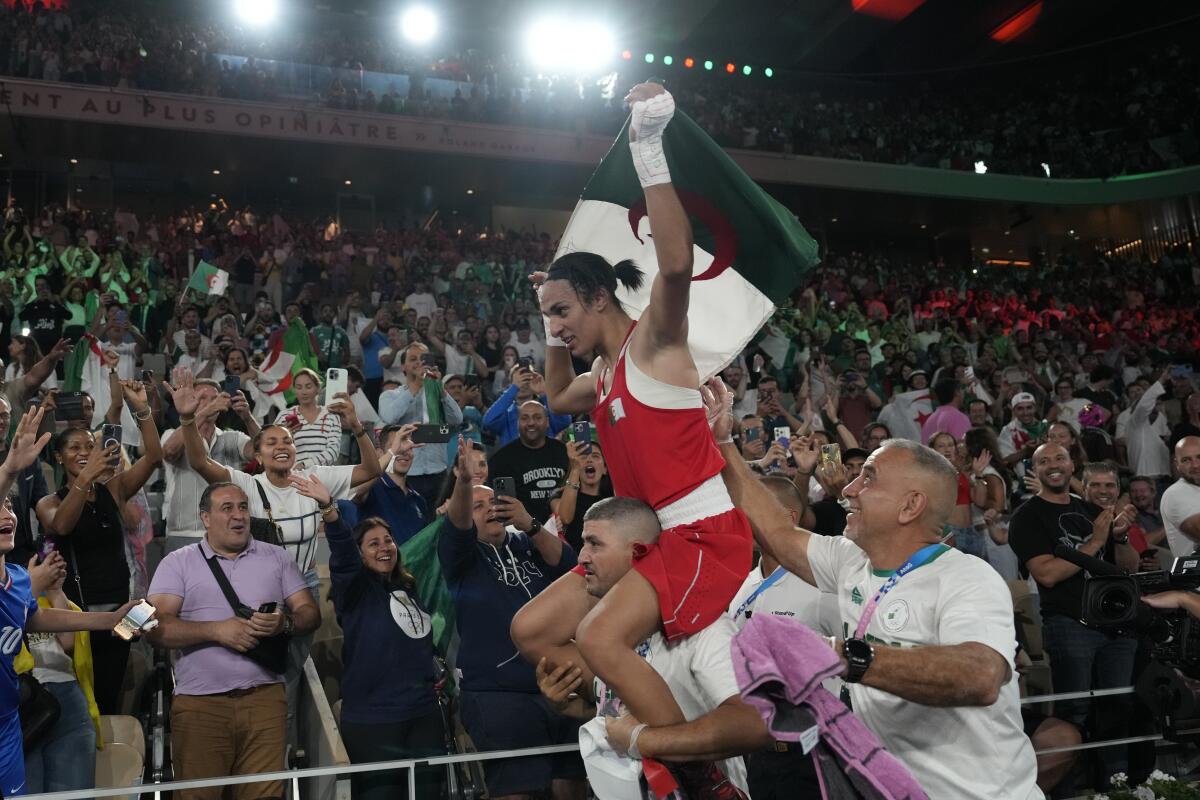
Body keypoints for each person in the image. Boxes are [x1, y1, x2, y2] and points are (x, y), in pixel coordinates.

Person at [516, 83, 754, 797]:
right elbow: (556, 396)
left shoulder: (653, 344)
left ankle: (698, 771)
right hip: (649, 536)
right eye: (548, 320)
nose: (556, 329)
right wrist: (543, 312)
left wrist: (649, 145)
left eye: (564, 313)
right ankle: (626, 702)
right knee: (533, 630)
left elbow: (676, 266)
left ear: (598, 298)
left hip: (701, 533)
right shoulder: (606, 375)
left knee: (593, 637)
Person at [705, 377, 1041, 799]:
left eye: (867, 478)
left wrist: (841, 657)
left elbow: (981, 675)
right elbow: (774, 528)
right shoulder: (851, 561)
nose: (847, 489)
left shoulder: (965, 577)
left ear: (910, 505)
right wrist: (724, 444)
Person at [538, 498, 762, 796]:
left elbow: (754, 724)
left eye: (595, 544)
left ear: (638, 552)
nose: (581, 557)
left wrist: (645, 740)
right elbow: (625, 719)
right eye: (583, 543)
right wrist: (575, 707)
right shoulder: (611, 633)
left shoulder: (704, 628)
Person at [146, 482, 321, 800]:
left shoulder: (277, 558)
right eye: (227, 508)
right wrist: (215, 631)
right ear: (206, 518)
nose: (239, 516)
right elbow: (155, 629)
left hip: (265, 700)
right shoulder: (178, 562)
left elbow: (310, 613)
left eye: (243, 507)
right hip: (201, 706)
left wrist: (285, 622)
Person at [440, 440, 582, 799]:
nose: (489, 509)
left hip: (560, 684)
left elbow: (568, 567)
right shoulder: (462, 557)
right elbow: (457, 525)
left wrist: (529, 524)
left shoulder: (526, 545)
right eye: (478, 506)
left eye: (494, 502)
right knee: (519, 789)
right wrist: (463, 483)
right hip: (498, 694)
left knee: (572, 782)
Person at [291, 472, 444, 800]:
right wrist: (330, 510)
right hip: (375, 721)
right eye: (373, 544)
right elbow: (343, 555)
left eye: (388, 540)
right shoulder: (355, 591)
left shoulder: (409, 587)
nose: (385, 547)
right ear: (360, 555)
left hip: (423, 715)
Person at [1007, 442, 1139, 784]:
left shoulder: (1091, 509)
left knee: (1118, 709)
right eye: (1044, 460)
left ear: (1071, 465)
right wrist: (1094, 543)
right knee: (1075, 712)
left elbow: (1126, 569)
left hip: (1115, 625)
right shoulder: (1027, 517)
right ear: (1034, 470)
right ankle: (1072, 787)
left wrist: (1120, 540)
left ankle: (1117, 785)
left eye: (1060, 458)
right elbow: (1047, 573)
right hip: (1069, 623)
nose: (1053, 465)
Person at [36, 381, 162, 714]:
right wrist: (85, 479)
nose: (82, 453)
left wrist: (142, 410)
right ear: (59, 458)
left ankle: (112, 760)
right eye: (74, 448)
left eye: (88, 446)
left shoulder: (114, 489)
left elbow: (154, 457)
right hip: (81, 616)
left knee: (112, 692)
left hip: (124, 609)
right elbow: (62, 526)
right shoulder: (48, 502)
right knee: (83, 696)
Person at [161, 379, 257, 549]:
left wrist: (248, 418)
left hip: (228, 531)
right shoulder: (173, 433)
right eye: (202, 398)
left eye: (214, 398)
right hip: (185, 532)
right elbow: (169, 452)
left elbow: (260, 450)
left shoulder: (232, 437)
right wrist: (203, 413)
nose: (210, 403)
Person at [378, 342, 465, 505]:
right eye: (413, 359)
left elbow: (457, 419)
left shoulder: (438, 394)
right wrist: (417, 385)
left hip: (438, 471)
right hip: (406, 472)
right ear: (403, 366)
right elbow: (390, 417)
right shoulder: (390, 395)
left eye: (423, 359)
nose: (419, 363)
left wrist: (439, 388)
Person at [487, 401, 570, 524]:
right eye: (525, 418)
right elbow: (502, 507)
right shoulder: (500, 460)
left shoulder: (565, 452)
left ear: (547, 422)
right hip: (523, 531)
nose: (531, 423)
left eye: (537, 417)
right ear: (517, 422)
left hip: (565, 527)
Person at [346, 424, 428, 543]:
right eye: (397, 446)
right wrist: (393, 453)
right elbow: (356, 491)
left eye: (408, 447)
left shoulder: (419, 500)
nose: (404, 452)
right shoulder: (371, 489)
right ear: (379, 453)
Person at [483, 363, 572, 447]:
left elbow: (565, 421)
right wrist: (514, 389)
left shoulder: (546, 412)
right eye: (519, 381)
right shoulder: (506, 415)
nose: (523, 385)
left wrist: (544, 393)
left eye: (526, 380)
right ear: (511, 385)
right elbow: (488, 422)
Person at [551, 440, 612, 552]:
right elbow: (565, 518)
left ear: (604, 469)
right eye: (583, 457)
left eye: (595, 456)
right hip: (572, 561)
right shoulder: (559, 495)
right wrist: (575, 470)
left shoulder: (613, 499)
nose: (589, 460)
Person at [274, 368, 342, 468]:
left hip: (323, 477)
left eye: (308, 386)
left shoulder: (331, 416)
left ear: (318, 388)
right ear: (294, 390)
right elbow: (273, 448)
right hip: (292, 476)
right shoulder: (284, 416)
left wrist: (305, 465)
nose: (304, 392)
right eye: (299, 387)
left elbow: (333, 450)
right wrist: (286, 437)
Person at [1160, 436, 1200, 557]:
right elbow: (1197, 528)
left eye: (1199, 457)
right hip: (1194, 574)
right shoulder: (1175, 493)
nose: (1195, 465)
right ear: (1177, 464)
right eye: (1186, 460)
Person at [920, 379, 970, 444]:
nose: (964, 393)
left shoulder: (930, 419)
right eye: (962, 389)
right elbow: (962, 448)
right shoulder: (958, 417)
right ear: (957, 392)